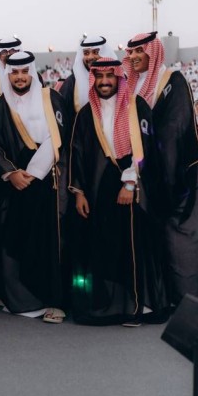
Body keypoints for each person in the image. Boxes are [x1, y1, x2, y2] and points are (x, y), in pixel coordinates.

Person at [67, 55, 168, 327]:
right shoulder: (86, 114)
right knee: (106, 246)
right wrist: (79, 192)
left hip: (132, 188)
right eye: (99, 77)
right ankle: (111, 306)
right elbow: (76, 154)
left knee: (134, 246)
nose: (104, 82)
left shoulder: (137, 106)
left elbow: (146, 148)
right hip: (98, 191)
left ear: (119, 78)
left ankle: (137, 307)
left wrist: (130, 183)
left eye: (109, 76)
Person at [0, 50, 69, 322]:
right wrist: (11, 173)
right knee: (14, 241)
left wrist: (33, 172)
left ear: (32, 72)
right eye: (14, 73)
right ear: (8, 74)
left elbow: (58, 135)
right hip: (13, 185)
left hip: (45, 182)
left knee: (47, 241)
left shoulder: (50, 98)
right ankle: (20, 300)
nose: (19, 77)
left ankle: (52, 302)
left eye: (24, 72)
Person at [124, 31, 198, 311]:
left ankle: (188, 301)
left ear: (154, 52)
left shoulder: (172, 80)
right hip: (147, 174)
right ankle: (159, 297)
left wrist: (164, 175)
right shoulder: (133, 85)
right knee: (153, 238)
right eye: (131, 52)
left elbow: (174, 129)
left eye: (140, 51)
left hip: (178, 176)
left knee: (180, 239)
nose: (134, 57)